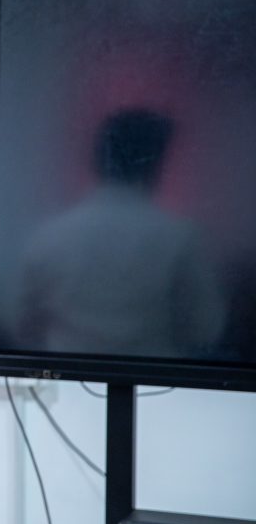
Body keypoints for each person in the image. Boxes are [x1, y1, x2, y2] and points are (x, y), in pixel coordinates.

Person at [16, 108, 225, 358]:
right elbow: (205, 330)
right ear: (155, 162)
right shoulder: (180, 237)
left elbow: (24, 327)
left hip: (65, 372)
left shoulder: (49, 236)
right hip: (154, 371)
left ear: (99, 159)